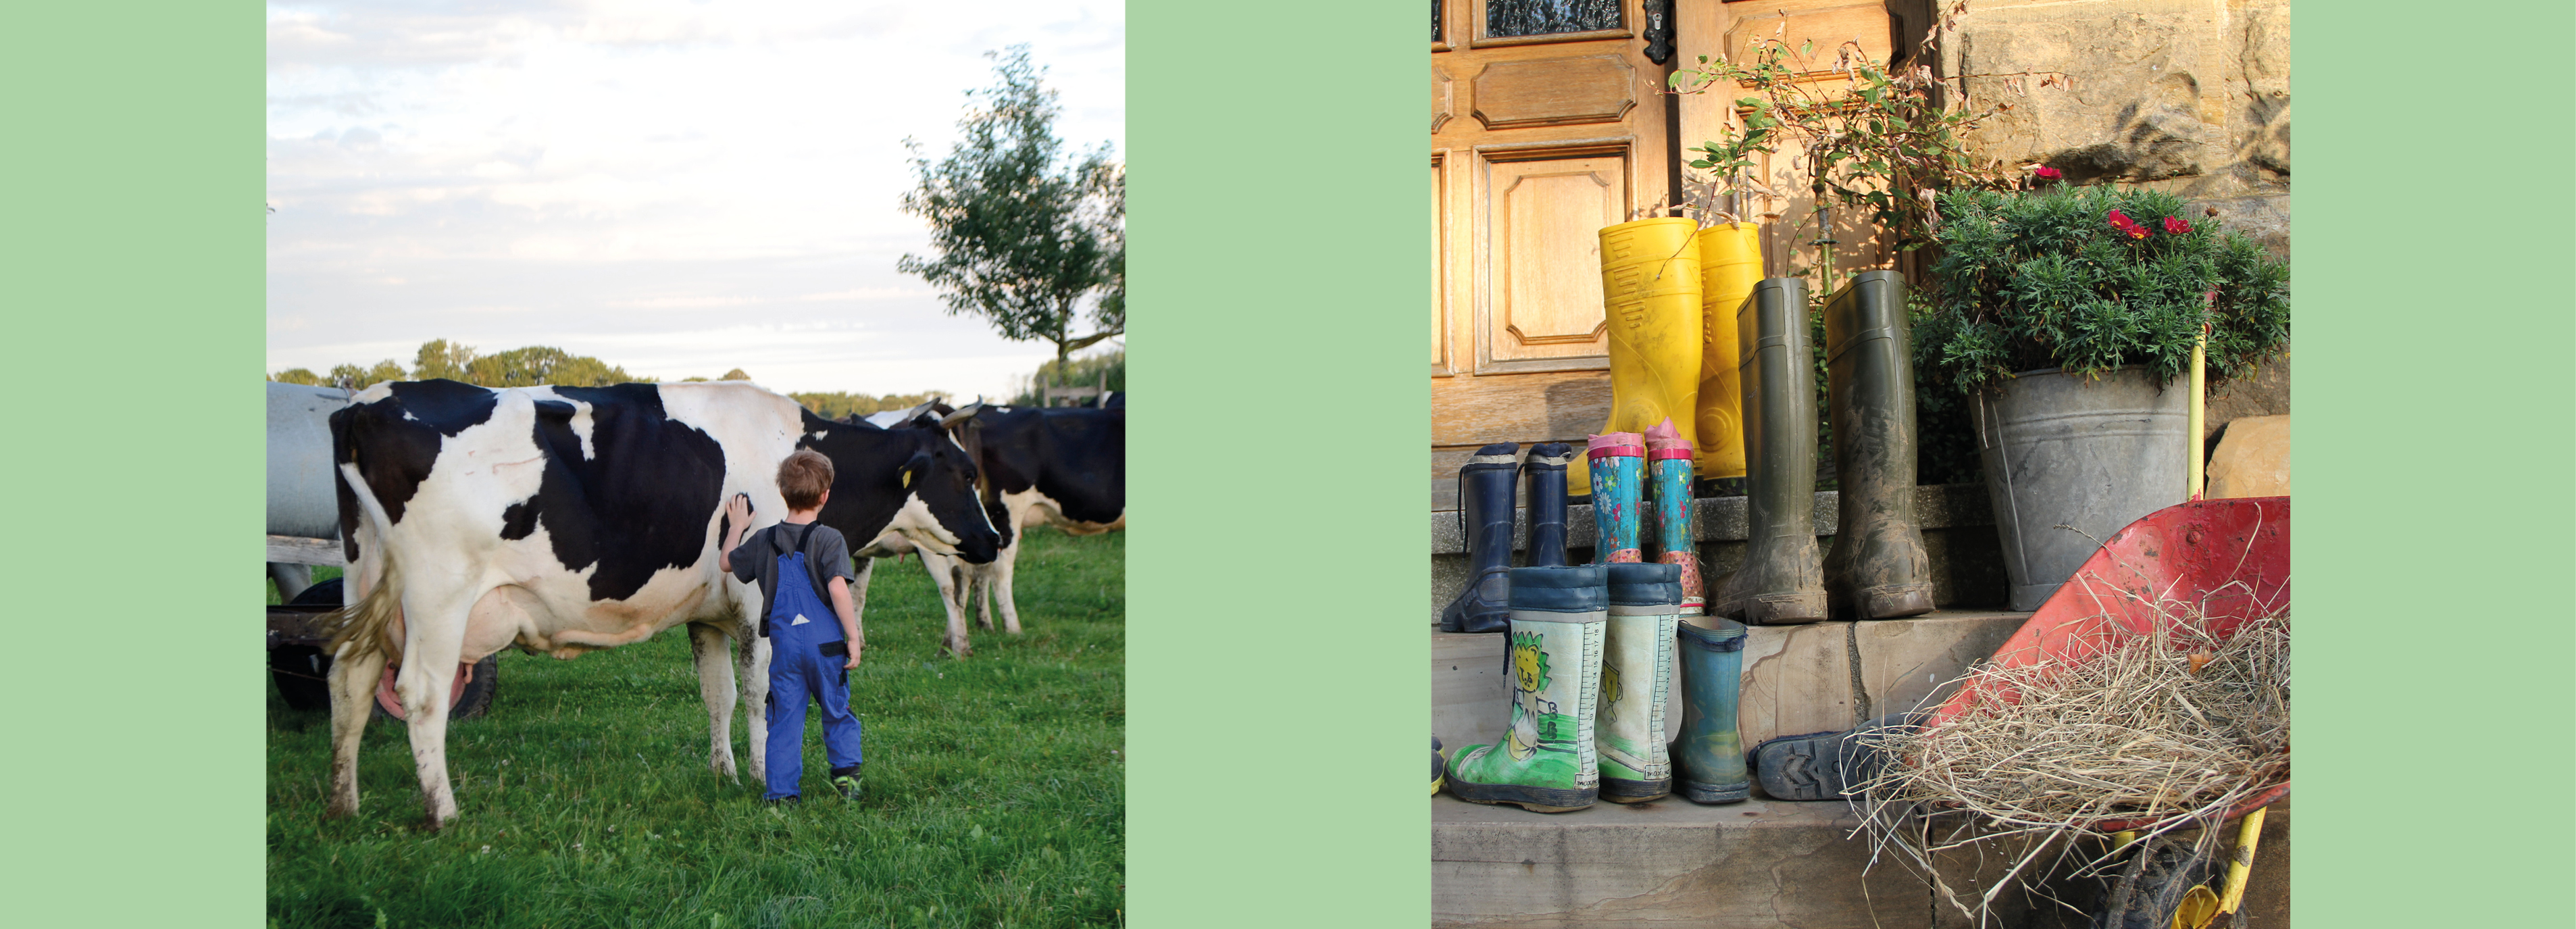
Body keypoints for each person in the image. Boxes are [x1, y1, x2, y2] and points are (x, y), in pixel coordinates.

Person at [718, 449, 865, 803]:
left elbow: (726, 563)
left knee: (783, 721)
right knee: (837, 712)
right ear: (825, 496)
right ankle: (849, 791)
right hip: (826, 647)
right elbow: (838, 589)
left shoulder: (764, 540)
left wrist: (737, 526)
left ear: (782, 493)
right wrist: (854, 636)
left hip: (784, 650)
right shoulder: (830, 539)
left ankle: (781, 796)